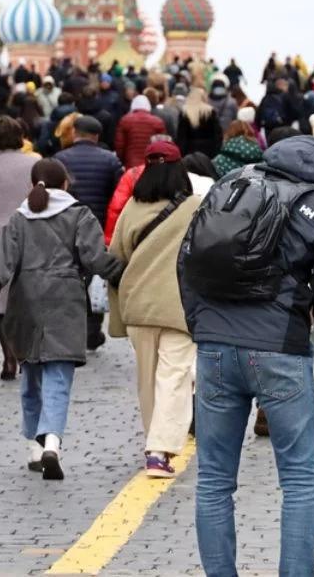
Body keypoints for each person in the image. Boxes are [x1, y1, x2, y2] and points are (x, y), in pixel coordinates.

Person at [180, 132, 314, 576]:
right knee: (300, 482)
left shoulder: (235, 181)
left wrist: (202, 328)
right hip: (279, 351)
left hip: (214, 349)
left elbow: (186, 259)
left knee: (213, 481)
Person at [0, 158, 123, 479]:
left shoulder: (20, 217)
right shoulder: (79, 215)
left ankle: (33, 444)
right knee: (58, 377)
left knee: (31, 374)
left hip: (26, 301)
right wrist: (122, 272)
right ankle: (52, 443)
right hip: (65, 299)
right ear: (66, 184)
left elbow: (4, 259)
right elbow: (96, 258)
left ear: (34, 184)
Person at [109, 141, 202, 477]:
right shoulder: (196, 207)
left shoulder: (132, 208)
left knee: (146, 379)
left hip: (138, 304)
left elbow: (116, 255)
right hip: (179, 305)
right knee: (174, 377)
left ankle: (154, 445)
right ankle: (159, 449)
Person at [0, 117, 39, 380]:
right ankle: (26, 354)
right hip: (29, 229)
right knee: (27, 293)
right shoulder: (35, 161)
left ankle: (8, 359)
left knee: (1, 298)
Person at [55, 115, 124, 350]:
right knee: (96, 278)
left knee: (73, 276)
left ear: (75, 133)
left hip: (66, 226)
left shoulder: (60, 160)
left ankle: (72, 327)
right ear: (97, 136)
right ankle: (93, 331)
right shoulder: (110, 161)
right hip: (99, 226)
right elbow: (118, 196)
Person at [116, 94, 167, 168]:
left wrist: (123, 161)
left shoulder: (125, 120)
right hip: (151, 164)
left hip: (131, 164)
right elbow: (162, 146)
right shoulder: (158, 122)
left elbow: (120, 146)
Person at [177, 87, 223, 158]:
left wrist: (181, 153)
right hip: (209, 151)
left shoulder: (184, 112)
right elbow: (217, 134)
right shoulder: (210, 111)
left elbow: (181, 136)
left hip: (190, 151)